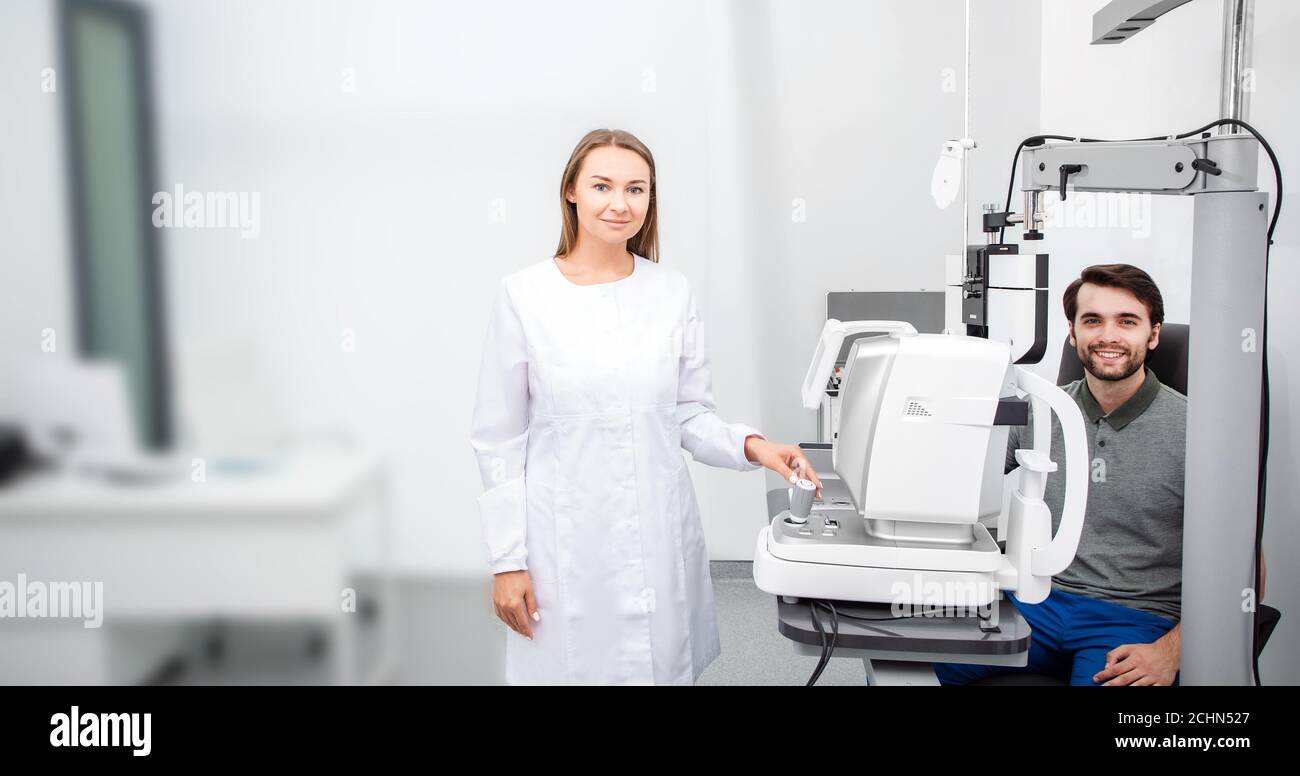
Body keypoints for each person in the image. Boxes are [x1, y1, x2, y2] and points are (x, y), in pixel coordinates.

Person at [469, 128, 821, 685]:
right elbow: (498, 437)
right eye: (602, 185)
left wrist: (754, 446)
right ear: (571, 192)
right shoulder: (524, 296)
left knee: (656, 668)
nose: (620, 203)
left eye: (637, 189)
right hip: (563, 540)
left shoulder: (671, 292)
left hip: (655, 530)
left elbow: (686, 413)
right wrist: (508, 560)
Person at [935, 263, 1262, 686]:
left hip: (1136, 620)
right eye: (1093, 321)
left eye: (1127, 321)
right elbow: (956, 482)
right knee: (907, 660)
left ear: (1153, 333)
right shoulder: (1041, 410)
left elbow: (1251, 570)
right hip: (1039, 601)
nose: (1108, 335)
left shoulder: (1200, 430)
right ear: (1073, 333)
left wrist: (1172, 651)